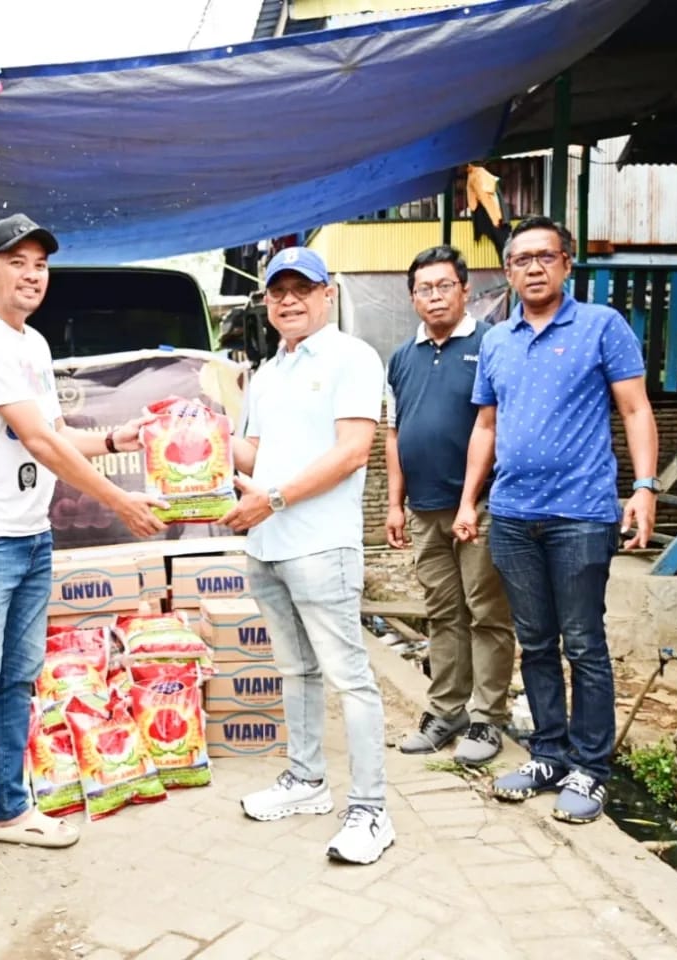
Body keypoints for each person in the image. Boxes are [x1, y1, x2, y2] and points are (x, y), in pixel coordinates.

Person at [0, 214, 166, 903]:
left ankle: (8, 810)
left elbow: (59, 431)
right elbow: (38, 441)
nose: (32, 275)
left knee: (17, 678)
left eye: (40, 264)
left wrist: (120, 435)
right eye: (16, 261)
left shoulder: (29, 342)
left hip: (27, 532)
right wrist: (120, 502)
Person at [455, 215, 658, 824]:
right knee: (536, 641)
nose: (534, 267)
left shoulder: (601, 326)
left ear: (568, 264)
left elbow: (635, 408)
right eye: (522, 259)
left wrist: (644, 488)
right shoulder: (497, 340)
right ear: (510, 271)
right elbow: (485, 427)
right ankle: (548, 752)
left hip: (581, 514)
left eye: (546, 256)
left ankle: (591, 770)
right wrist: (469, 501)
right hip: (513, 515)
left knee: (584, 643)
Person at [222, 246, 394, 865]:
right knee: (296, 671)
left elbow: (352, 452)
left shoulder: (353, 357)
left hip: (321, 545)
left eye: (303, 288)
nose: (289, 300)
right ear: (266, 302)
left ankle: (372, 811)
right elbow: (252, 454)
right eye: (277, 291)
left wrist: (271, 498)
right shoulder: (267, 372)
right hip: (268, 546)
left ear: (328, 295)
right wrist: (195, 429)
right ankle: (306, 781)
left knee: (351, 678)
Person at [385, 247, 514, 764]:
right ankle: (447, 712)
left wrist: (470, 502)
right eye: (423, 288)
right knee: (442, 613)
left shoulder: (492, 345)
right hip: (423, 508)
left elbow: (496, 424)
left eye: (444, 286)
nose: (434, 296)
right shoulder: (401, 357)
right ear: (413, 297)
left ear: (464, 290)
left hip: (478, 508)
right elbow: (394, 434)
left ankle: (487, 720)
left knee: (487, 613)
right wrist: (395, 504)